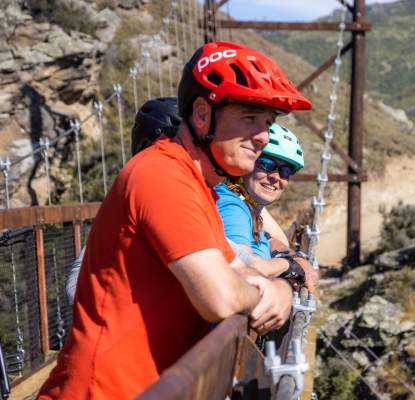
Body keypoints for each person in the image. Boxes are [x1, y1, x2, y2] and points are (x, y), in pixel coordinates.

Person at [39, 41, 312, 399]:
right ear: (202, 114)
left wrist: (278, 288)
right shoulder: (162, 174)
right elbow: (220, 297)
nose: (262, 137)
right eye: (249, 118)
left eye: (267, 123)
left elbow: (239, 270)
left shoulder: (199, 187)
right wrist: (270, 291)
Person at [215, 123, 318, 290]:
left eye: (285, 171)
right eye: (265, 164)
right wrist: (287, 265)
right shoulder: (233, 205)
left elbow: (275, 238)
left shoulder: (246, 201)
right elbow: (242, 269)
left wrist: (292, 257)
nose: (275, 177)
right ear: (247, 163)